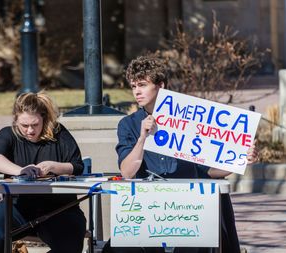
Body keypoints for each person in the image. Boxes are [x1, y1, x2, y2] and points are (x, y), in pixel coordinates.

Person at [104, 56, 258, 253]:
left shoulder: (187, 120)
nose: (137, 91)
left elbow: (209, 170)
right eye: (133, 86)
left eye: (142, 85)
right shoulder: (128, 125)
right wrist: (143, 137)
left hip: (188, 209)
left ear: (161, 85)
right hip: (146, 209)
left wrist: (241, 160)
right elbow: (127, 172)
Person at [0, 92, 86, 253]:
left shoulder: (59, 133)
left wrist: (52, 166)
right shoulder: (8, 134)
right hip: (17, 207)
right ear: (16, 121)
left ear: (44, 119)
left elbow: (77, 166)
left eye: (35, 125)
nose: (30, 130)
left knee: (70, 243)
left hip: (59, 208)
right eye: (24, 125)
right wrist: (21, 171)